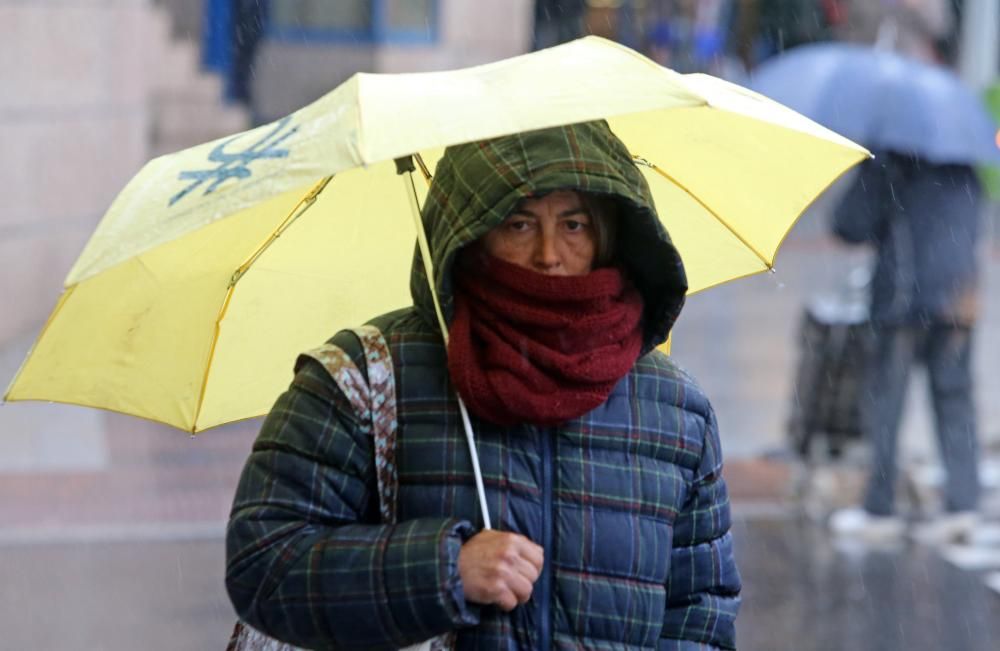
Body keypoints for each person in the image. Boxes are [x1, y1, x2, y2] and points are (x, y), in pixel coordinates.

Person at [225, 121, 741, 649]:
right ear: (470, 233)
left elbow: (700, 613)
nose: (548, 254)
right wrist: (443, 569)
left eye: (573, 224)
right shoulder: (364, 376)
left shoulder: (676, 410)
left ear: (608, 236)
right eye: (518, 224)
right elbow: (264, 562)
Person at [829, 150, 983, 544]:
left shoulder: (889, 159)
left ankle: (880, 508)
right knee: (954, 401)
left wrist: (870, 171)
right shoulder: (962, 161)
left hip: (903, 297)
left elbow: (848, 223)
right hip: (958, 297)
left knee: (886, 403)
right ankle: (963, 506)